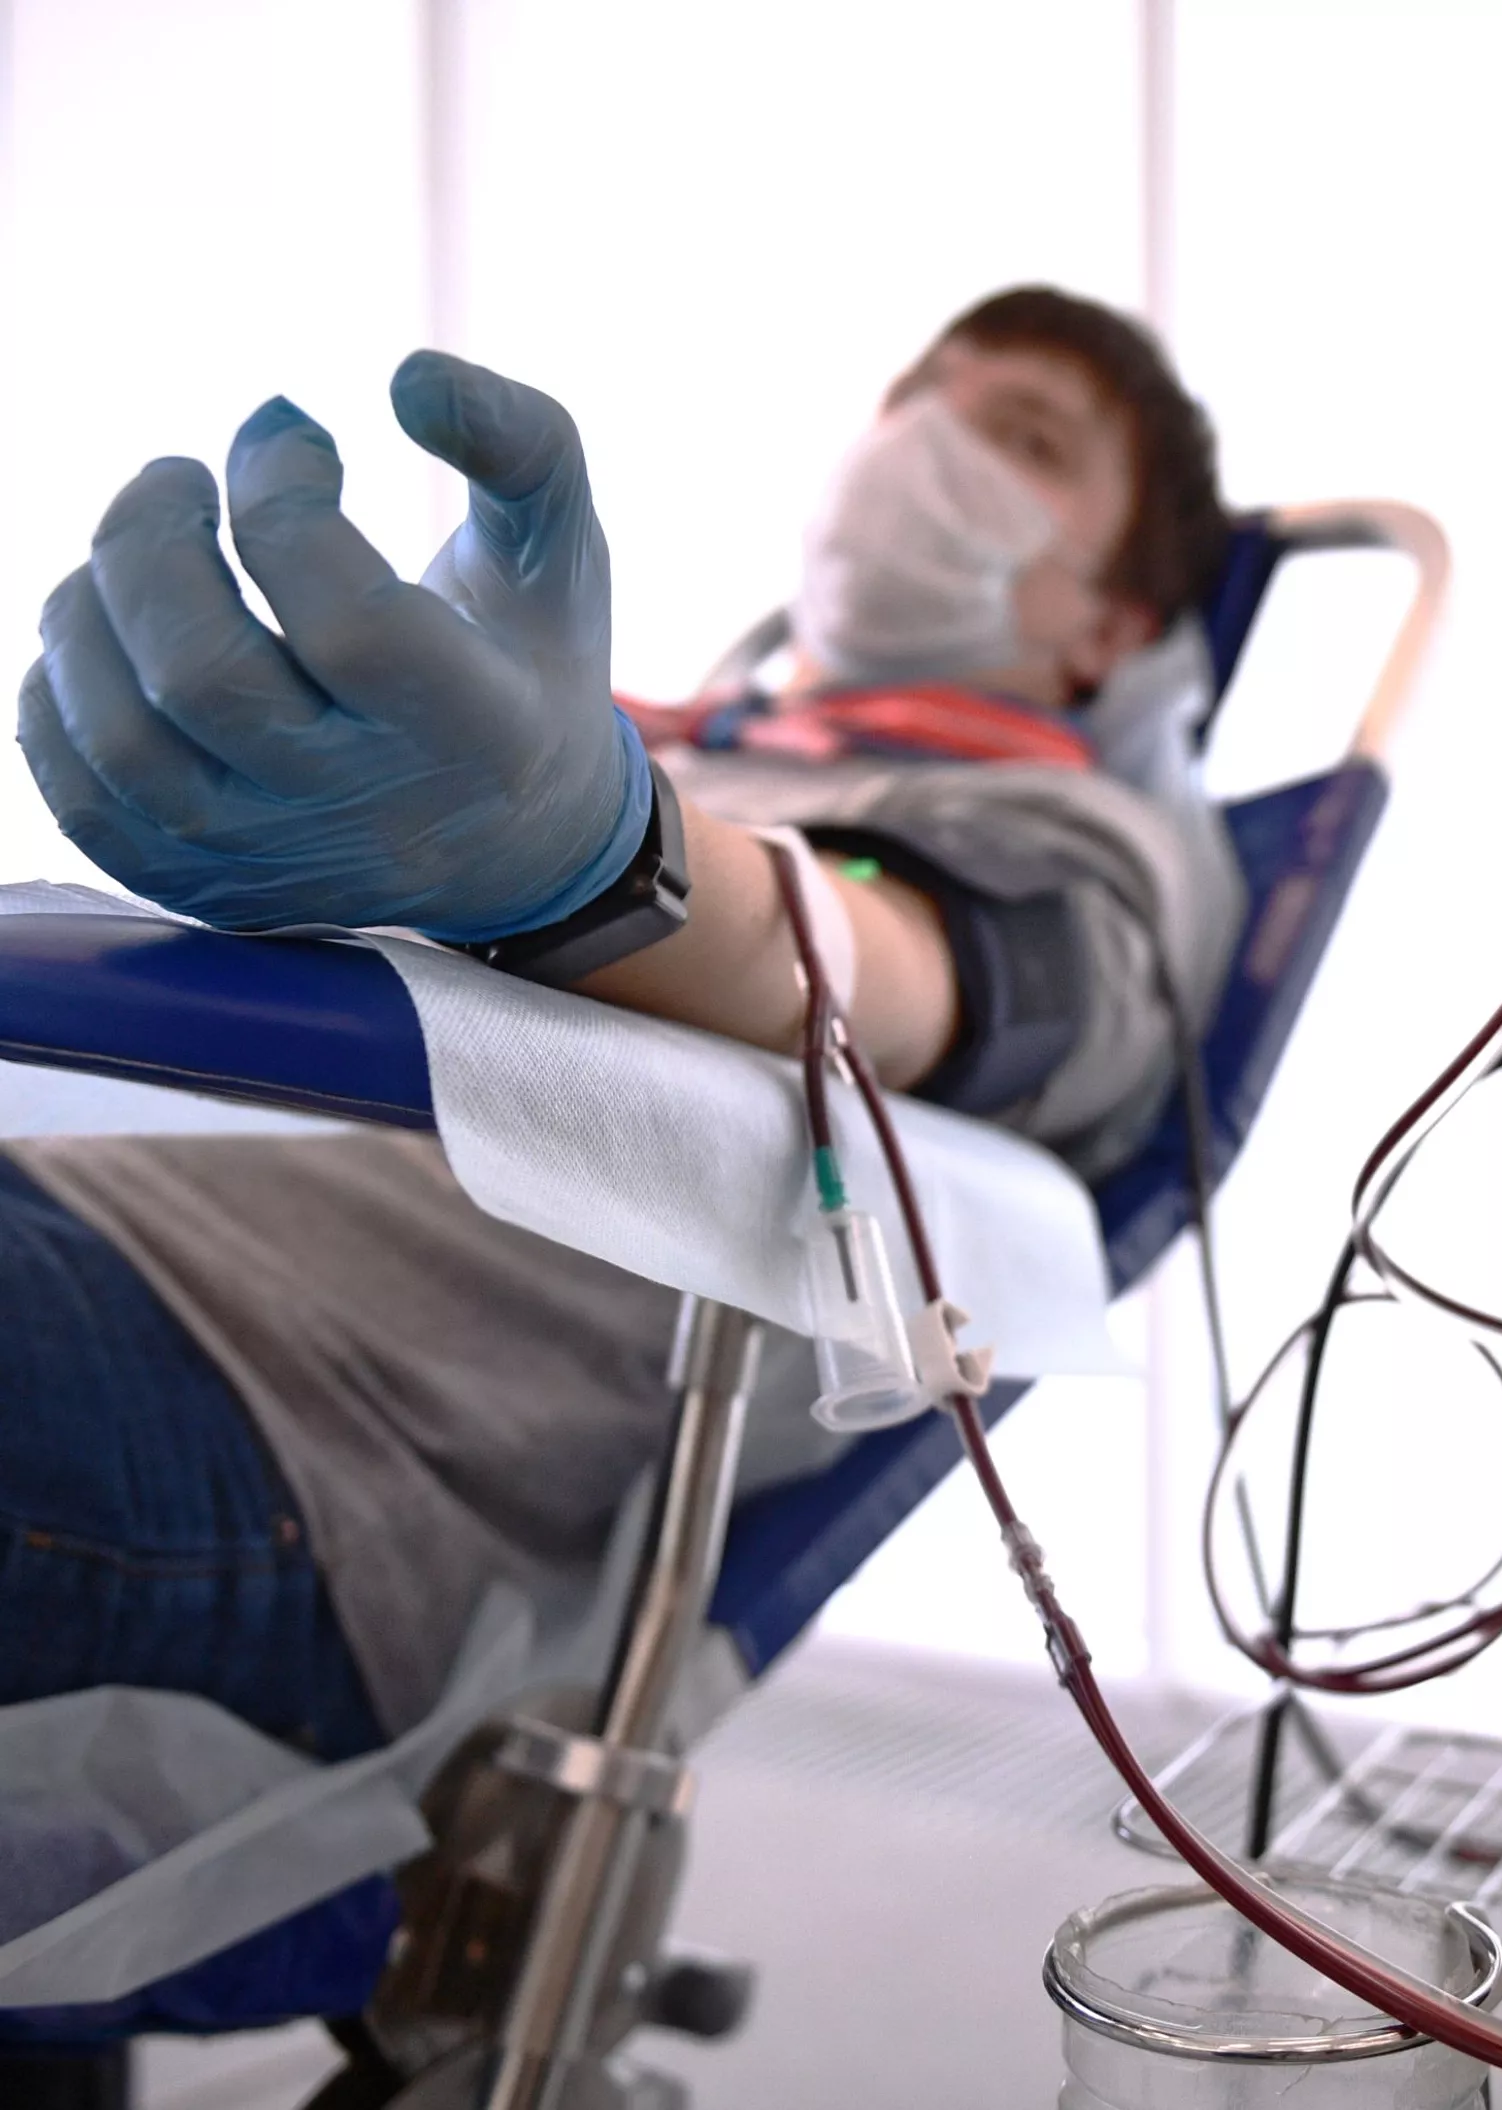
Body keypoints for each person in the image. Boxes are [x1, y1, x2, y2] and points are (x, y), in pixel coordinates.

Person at [2, 287, 1239, 1761]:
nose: (926, 444)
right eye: (919, 397)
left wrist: (610, 859)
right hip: (82, 1205)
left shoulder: (1086, 846)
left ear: (1112, 627)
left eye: (1024, 437)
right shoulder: (605, 736)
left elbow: (903, 976)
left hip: (298, 1411)